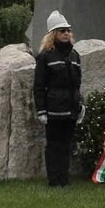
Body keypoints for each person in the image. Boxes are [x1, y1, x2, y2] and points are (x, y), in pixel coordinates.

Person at [33, 10, 84, 187]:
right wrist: (41, 110)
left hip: (70, 107)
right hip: (54, 108)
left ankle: (64, 178)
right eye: (62, 31)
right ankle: (54, 180)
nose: (66, 34)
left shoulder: (74, 55)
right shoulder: (45, 56)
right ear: (53, 34)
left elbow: (77, 83)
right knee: (54, 146)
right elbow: (39, 85)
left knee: (66, 145)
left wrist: (80, 104)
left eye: (68, 30)